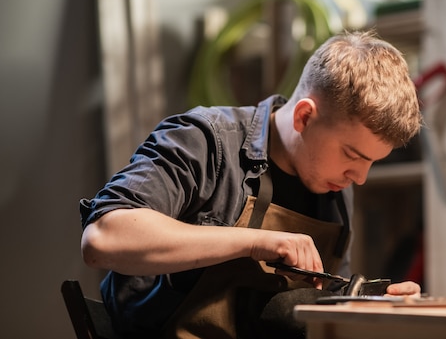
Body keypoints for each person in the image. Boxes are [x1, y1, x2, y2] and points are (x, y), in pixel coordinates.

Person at [79, 29, 423, 339]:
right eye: (351, 154)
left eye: (370, 163)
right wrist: (255, 241)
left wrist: (372, 308)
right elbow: (104, 238)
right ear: (305, 116)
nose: (359, 178)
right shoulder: (204, 141)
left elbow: (316, 307)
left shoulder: (333, 187)